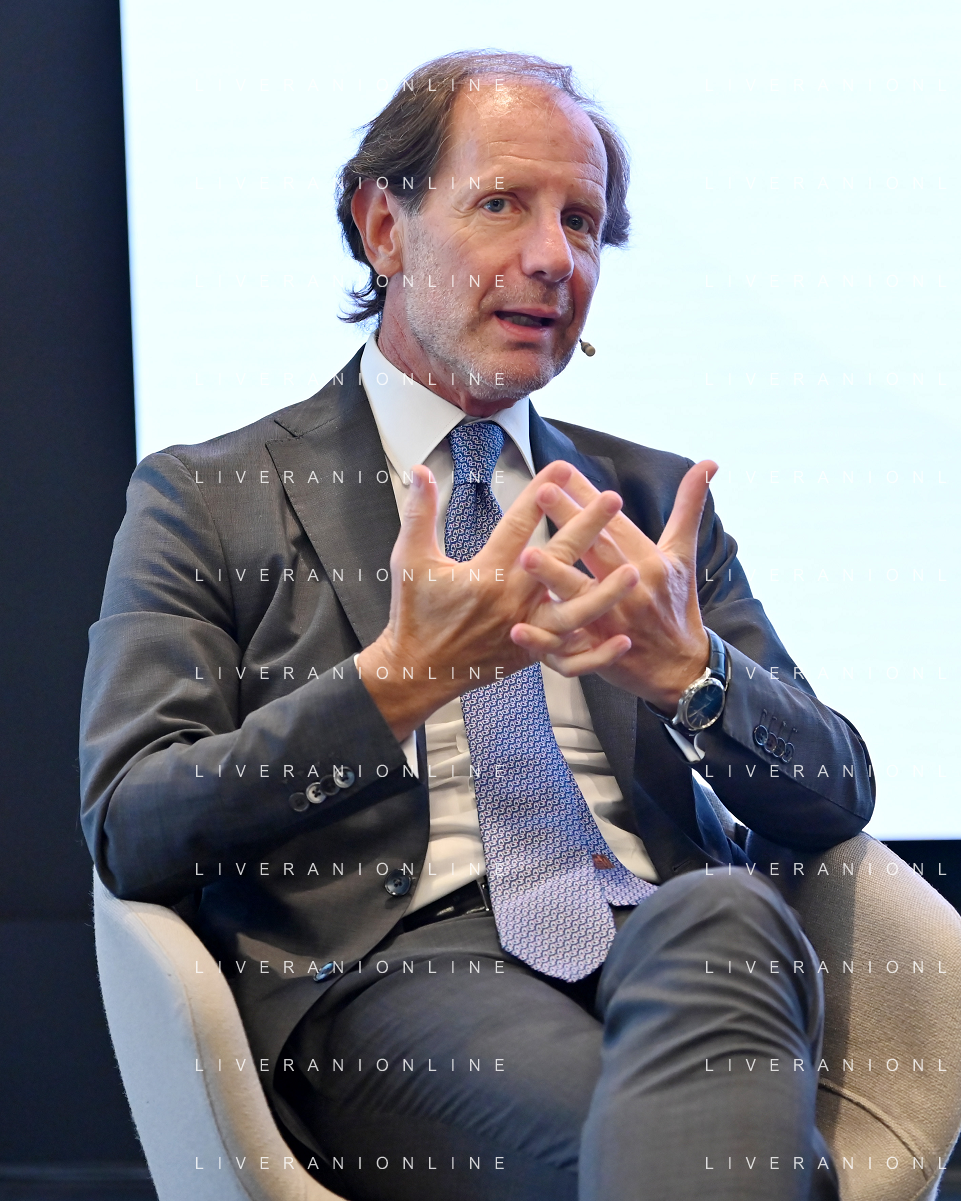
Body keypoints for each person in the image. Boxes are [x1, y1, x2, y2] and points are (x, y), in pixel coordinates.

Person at [79, 49, 874, 1201]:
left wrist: (694, 676)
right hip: (399, 966)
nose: (554, 258)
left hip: (669, 935)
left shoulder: (647, 503)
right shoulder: (210, 495)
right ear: (383, 227)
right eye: (502, 204)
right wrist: (392, 685)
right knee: (748, 1163)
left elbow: (834, 791)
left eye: (582, 222)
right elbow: (133, 821)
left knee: (726, 908)